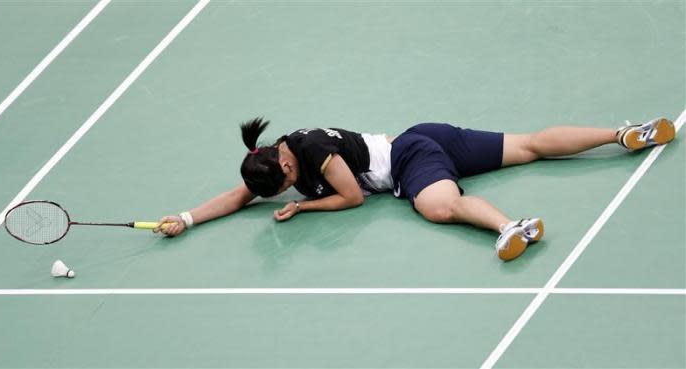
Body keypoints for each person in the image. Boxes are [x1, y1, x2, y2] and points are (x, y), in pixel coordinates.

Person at [155, 117, 676, 261]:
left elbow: (354, 197)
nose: (285, 194)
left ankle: (508, 227)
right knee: (532, 144)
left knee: (439, 207)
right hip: (424, 136)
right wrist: (187, 217)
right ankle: (625, 134)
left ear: (286, 169)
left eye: (286, 189)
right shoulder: (274, 160)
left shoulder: (314, 151)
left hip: (409, 158)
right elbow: (236, 196)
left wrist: (306, 211)